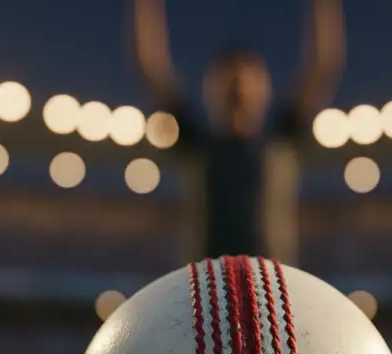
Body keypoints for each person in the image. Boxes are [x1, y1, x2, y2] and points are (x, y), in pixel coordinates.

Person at [132, 0, 345, 265]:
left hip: (270, 292)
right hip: (205, 290)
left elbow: (323, 66)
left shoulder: (283, 139)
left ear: (265, 89)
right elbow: (152, 67)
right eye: (227, 79)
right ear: (209, 90)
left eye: (247, 77)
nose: (238, 86)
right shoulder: (195, 143)